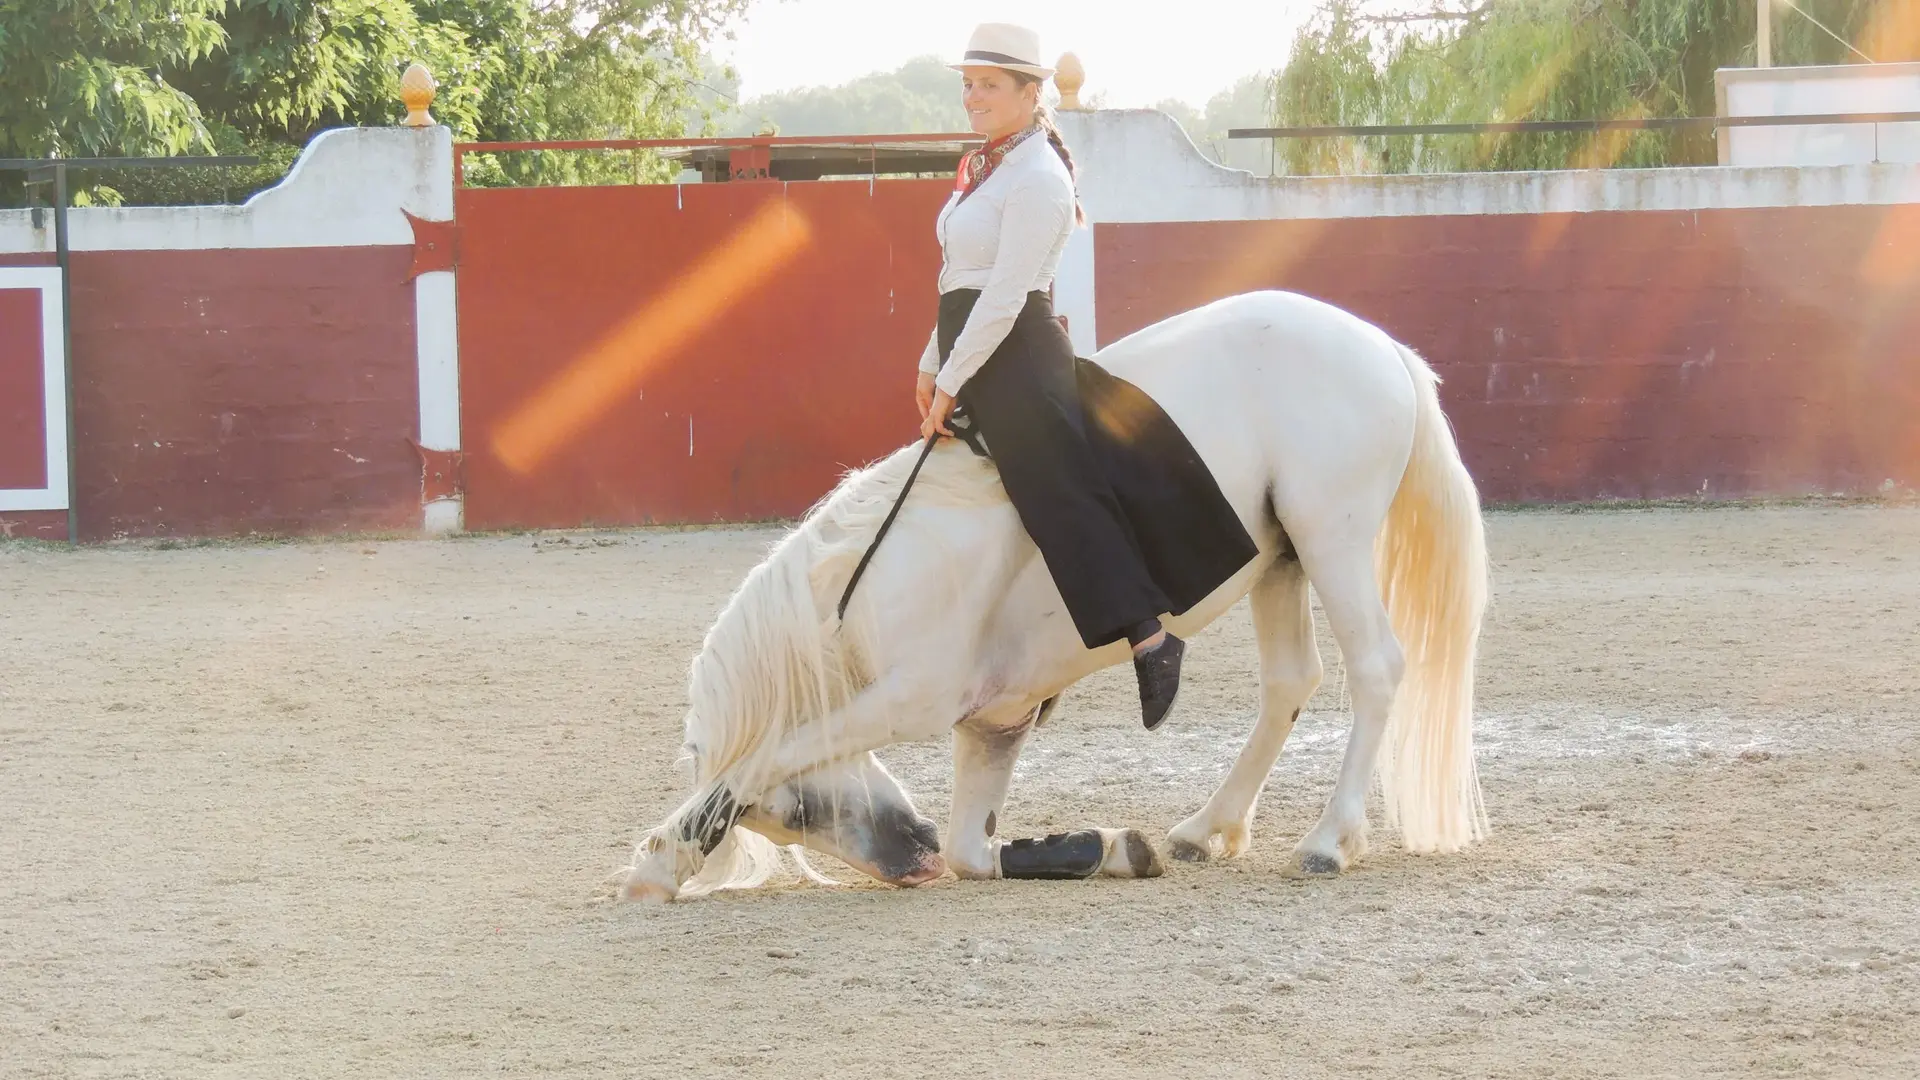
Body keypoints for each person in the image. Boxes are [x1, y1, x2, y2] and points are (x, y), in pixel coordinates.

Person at [913, 22, 1185, 731]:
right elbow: (960, 278)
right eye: (968, 84)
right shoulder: (989, 168)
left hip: (1017, 355)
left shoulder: (1037, 176)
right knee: (1006, 504)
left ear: (1032, 92)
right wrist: (931, 362)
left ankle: (1150, 639)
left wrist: (950, 378)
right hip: (980, 350)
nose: (973, 96)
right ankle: (1031, 653)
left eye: (989, 84)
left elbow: (1004, 296)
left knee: (1056, 499)